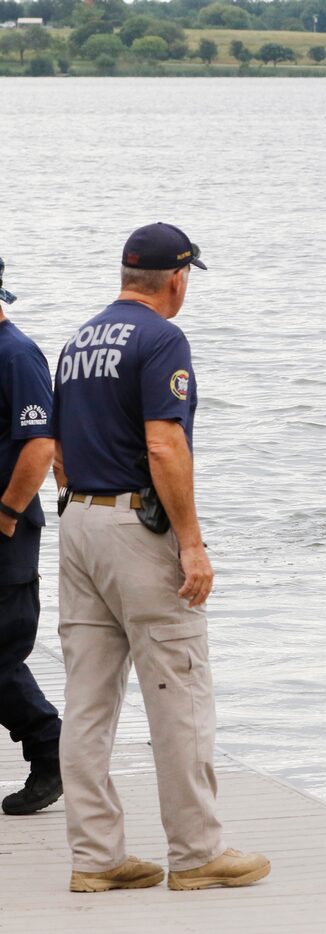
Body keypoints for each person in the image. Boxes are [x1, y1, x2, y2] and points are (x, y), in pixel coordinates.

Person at [52, 223, 269, 893]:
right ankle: (197, 852)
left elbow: (57, 450)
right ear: (177, 279)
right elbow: (165, 445)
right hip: (133, 531)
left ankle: (95, 856)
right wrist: (191, 543)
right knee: (179, 691)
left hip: (77, 522)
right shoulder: (161, 338)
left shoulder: (77, 341)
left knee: (87, 701)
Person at [0, 256, 63, 817]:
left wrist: (7, 511)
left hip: (6, 531)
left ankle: (51, 752)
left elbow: (40, 444)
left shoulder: (16, 354)